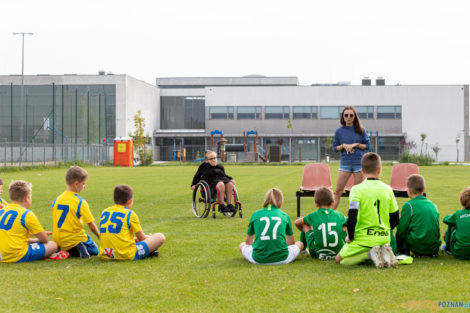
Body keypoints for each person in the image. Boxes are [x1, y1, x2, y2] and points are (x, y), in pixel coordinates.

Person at [335, 152, 400, 268]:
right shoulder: (388, 190)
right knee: (375, 246)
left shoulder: (356, 190)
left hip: (363, 239)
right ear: (379, 170)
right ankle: (381, 252)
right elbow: (395, 217)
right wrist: (385, 230)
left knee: (339, 260)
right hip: (384, 237)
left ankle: (370, 254)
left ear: (361, 171)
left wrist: (350, 236)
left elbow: (352, 217)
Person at [99, 184, 165, 260]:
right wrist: (150, 238)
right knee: (160, 237)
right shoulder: (130, 214)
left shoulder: (104, 211)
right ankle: (147, 252)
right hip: (125, 254)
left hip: (106, 254)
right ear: (130, 201)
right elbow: (142, 238)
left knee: (135, 239)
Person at [239, 188, 303, 265]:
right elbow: (291, 243)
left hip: (258, 259)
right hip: (283, 258)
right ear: (281, 202)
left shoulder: (255, 214)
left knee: (242, 245)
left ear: (265, 200)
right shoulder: (284, 215)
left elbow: (248, 242)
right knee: (299, 243)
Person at [0, 180, 58, 263]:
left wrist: (33, 240)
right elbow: (44, 239)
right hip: (16, 255)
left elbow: (12, 237)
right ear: (27, 198)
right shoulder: (27, 214)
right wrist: (39, 236)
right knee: (53, 245)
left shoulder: (2, 211)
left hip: (2, 255)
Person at [52, 166, 100, 258]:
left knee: (86, 240)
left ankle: (66, 252)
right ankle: (77, 249)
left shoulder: (57, 199)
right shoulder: (80, 202)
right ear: (76, 184)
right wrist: (99, 236)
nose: (84, 186)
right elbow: (91, 226)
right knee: (94, 250)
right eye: (83, 184)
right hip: (74, 239)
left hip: (59, 241)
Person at [332, 106, 370, 210]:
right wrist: (344, 146)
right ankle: (330, 215)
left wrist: (356, 144)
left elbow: (367, 146)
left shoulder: (361, 130)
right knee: (338, 191)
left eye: (351, 115)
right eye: (346, 115)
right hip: (345, 165)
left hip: (359, 165)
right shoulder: (339, 131)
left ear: (354, 117)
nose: (348, 117)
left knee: (357, 193)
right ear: (343, 117)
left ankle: (356, 217)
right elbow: (335, 148)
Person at [295, 187, 347, 260]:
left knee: (304, 223)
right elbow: (351, 222)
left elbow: (296, 223)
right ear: (333, 202)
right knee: (344, 225)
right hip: (339, 253)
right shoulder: (339, 215)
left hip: (317, 254)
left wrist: (307, 231)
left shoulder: (313, 215)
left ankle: (303, 248)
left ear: (316, 204)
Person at [395, 174, 441, 257]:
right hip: (434, 247)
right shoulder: (433, 205)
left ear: (408, 190)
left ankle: (403, 251)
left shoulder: (409, 205)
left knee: (403, 227)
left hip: (418, 246)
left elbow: (401, 230)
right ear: (424, 189)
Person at [442, 187, 470, 260]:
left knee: (452, 225)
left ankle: (447, 248)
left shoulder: (458, 214)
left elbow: (445, 219)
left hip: (460, 253)